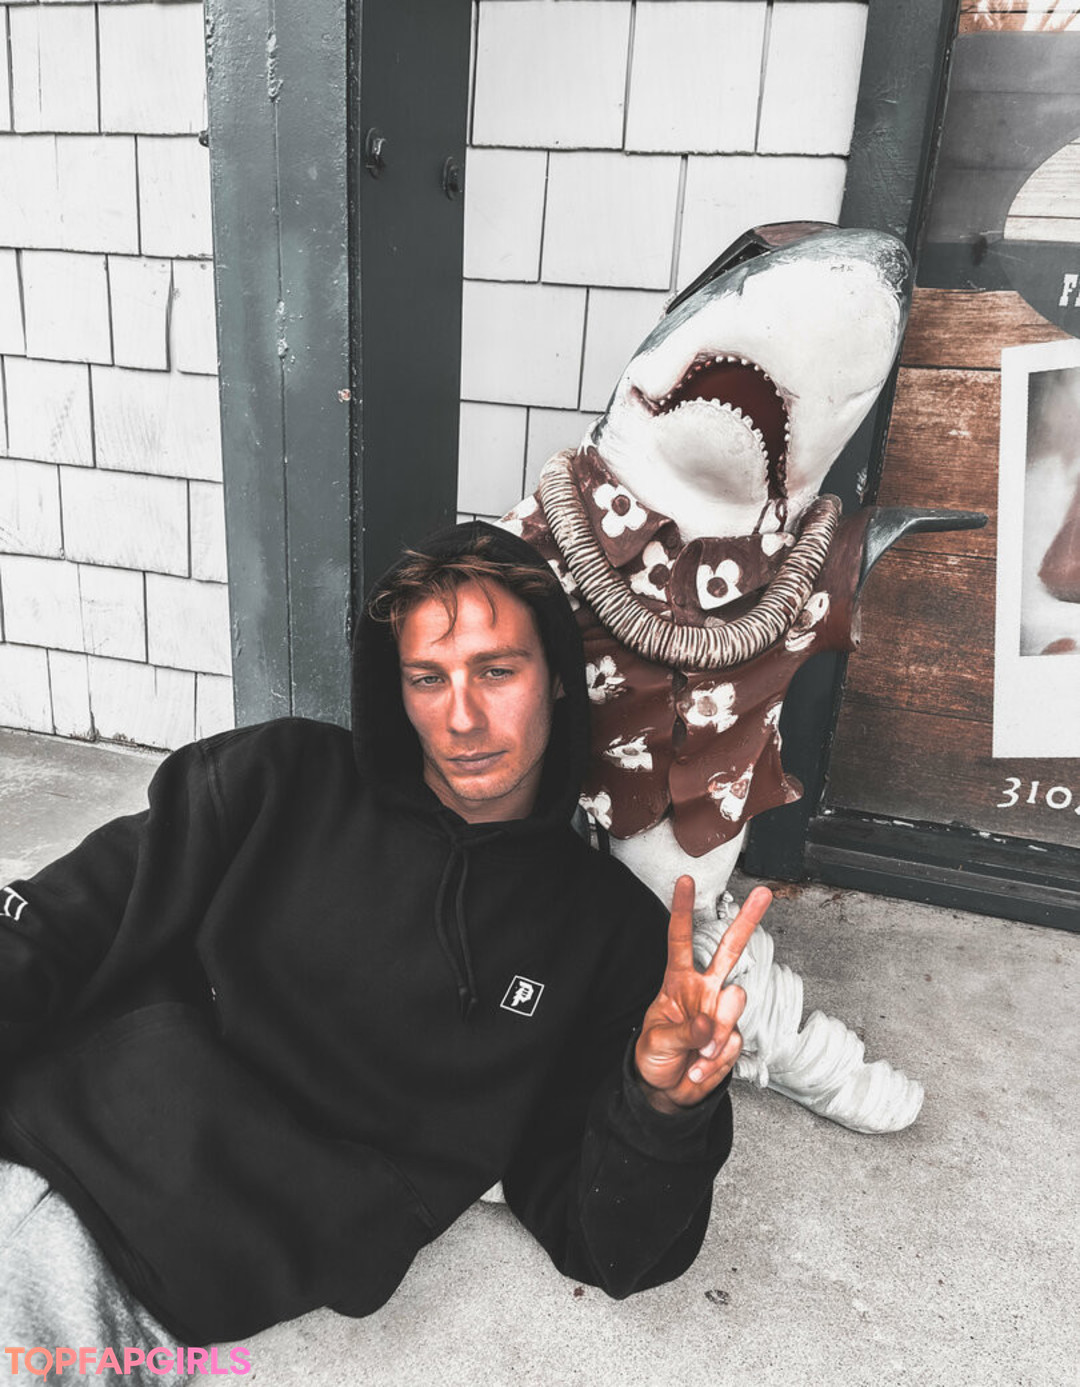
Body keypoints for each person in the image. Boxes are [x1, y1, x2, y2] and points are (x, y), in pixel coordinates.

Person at [0, 523, 768, 1376]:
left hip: (139, 1275)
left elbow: (609, 1243)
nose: (462, 717)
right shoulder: (281, 778)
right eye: (428, 678)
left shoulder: (604, 935)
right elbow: (58, 918)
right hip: (26, 1128)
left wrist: (663, 1108)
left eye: (497, 671)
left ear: (556, 675)